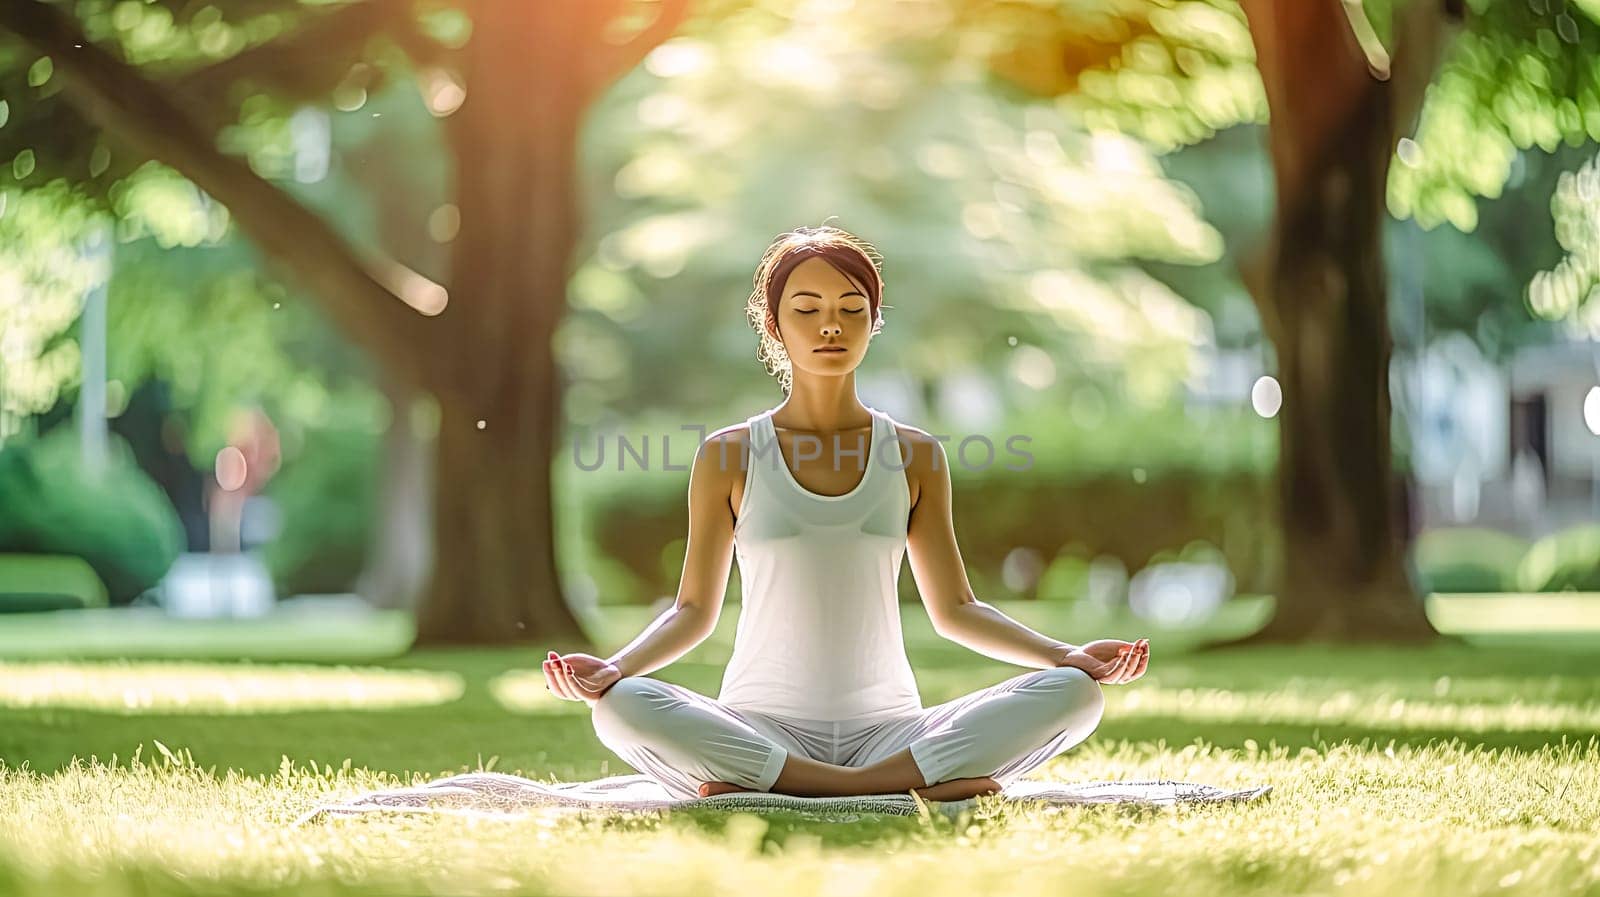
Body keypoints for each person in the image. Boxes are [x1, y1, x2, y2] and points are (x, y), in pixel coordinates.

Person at [543, 225, 1149, 802]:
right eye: (806, 309)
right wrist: (616, 669)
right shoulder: (729, 455)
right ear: (773, 326)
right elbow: (693, 612)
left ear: (873, 321)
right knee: (621, 707)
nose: (830, 326)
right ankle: (895, 788)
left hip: (891, 734)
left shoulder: (915, 455)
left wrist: (1065, 657)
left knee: (1076, 695)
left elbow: (957, 610)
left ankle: (797, 791)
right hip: (760, 730)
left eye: (851, 309)